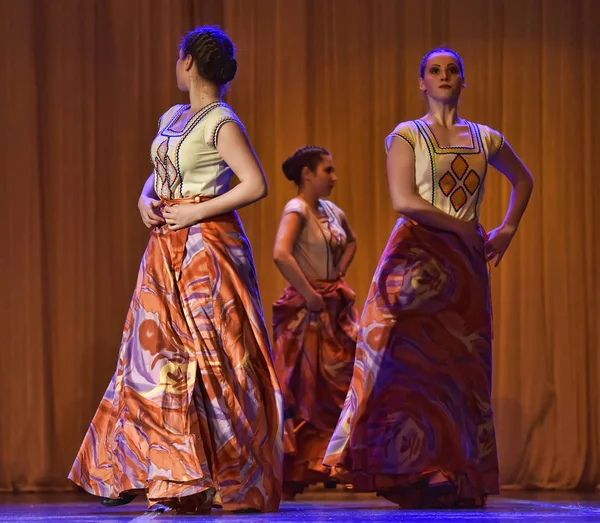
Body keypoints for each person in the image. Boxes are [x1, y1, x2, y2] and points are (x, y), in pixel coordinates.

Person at [68, 26, 283, 515]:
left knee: (210, 359)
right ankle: (151, 469)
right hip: (164, 247)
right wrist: (145, 197)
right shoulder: (174, 116)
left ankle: (216, 475)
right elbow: (161, 169)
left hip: (206, 250)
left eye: (178, 58)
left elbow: (255, 184)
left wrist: (195, 211)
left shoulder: (221, 122)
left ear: (188, 62)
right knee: (153, 359)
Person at [323, 47, 534, 509]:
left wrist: (508, 228)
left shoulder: (485, 138)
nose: (443, 76)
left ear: (463, 80)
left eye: (452, 70)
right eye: (434, 71)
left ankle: (452, 469)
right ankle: (409, 469)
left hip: (464, 263)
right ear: (422, 82)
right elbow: (403, 199)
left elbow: (523, 180)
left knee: (459, 367)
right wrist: (462, 225)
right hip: (416, 254)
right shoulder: (408, 135)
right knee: (401, 359)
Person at [272, 146, 358, 499]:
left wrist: (339, 271)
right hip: (307, 309)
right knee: (304, 388)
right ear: (307, 174)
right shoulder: (297, 209)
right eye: (328, 170)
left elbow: (351, 242)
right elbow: (280, 252)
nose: (334, 177)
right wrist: (308, 293)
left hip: (331, 305)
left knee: (338, 383)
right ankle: (299, 466)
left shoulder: (332, 211)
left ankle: (331, 462)